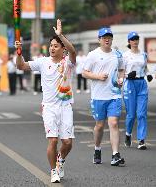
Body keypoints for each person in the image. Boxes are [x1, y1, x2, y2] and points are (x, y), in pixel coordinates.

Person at [16, 19, 76, 183]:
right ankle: (53, 171)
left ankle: (60, 161)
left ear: (62, 49)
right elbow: (21, 66)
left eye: (56, 46)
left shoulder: (68, 63)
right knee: (53, 140)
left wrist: (60, 35)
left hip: (65, 106)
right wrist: (19, 53)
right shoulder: (43, 62)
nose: (52, 48)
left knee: (68, 142)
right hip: (49, 107)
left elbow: (73, 51)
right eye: (51, 46)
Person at [82, 27, 125, 166]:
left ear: (112, 39)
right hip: (98, 96)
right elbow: (84, 73)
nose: (107, 39)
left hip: (114, 95)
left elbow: (122, 70)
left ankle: (115, 155)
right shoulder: (93, 55)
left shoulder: (118, 54)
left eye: (109, 37)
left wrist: (121, 79)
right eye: (104, 37)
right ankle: (97, 149)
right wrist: (98, 76)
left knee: (113, 123)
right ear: (99, 39)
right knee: (99, 126)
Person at [123, 32, 153, 150]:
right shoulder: (125, 55)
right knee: (131, 115)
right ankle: (128, 134)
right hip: (130, 84)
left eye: (136, 39)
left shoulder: (143, 55)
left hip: (142, 84)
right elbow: (120, 72)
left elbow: (145, 68)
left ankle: (141, 140)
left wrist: (149, 75)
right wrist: (126, 75)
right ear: (129, 42)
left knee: (141, 114)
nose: (135, 41)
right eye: (132, 39)